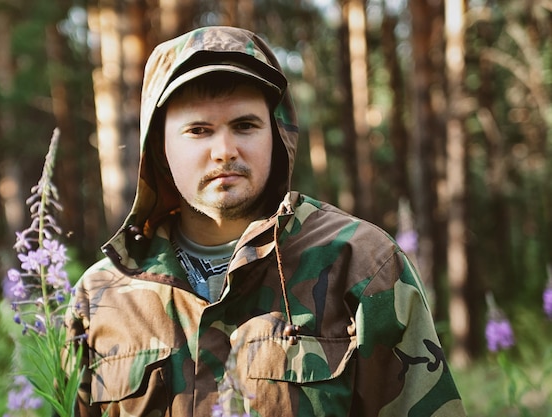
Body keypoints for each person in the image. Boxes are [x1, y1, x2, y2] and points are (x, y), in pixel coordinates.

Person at [66, 26, 467, 417]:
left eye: (244, 125)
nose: (224, 150)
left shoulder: (361, 264)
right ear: (159, 147)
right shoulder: (101, 296)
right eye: (198, 130)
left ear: (278, 135)